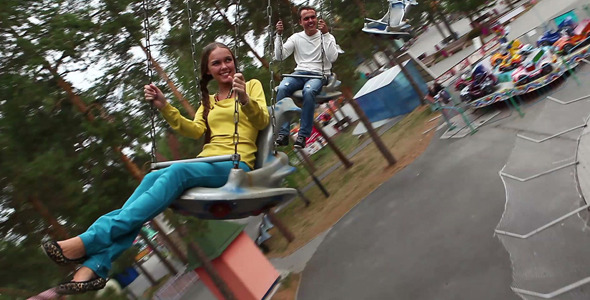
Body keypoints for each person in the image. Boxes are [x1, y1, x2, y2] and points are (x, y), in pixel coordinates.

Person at [40, 42, 269, 295]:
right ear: (208, 71)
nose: (224, 66)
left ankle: (90, 241)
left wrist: (245, 98)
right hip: (207, 162)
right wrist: (164, 105)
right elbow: (194, 130)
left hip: (236, 163)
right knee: (152, 178)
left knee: (176, 172)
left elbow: (262, 120)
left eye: (228, 60)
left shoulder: (251, 85)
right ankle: (94, 266)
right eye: (216, 63)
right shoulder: (210, 101)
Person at [273, 5, 340, 149]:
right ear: (300, 22)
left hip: (319, 74)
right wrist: (278, 35)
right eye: (306, 18)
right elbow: (279, 56)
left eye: (313, 17)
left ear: (317, 18)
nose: (310, 21)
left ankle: (303, 135)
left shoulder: (326, 36)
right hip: (300, 73)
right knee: (282, 88)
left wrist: (327, 34)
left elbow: (333, 58)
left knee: (309, 91)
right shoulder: (296, 38)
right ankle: (283, 133)